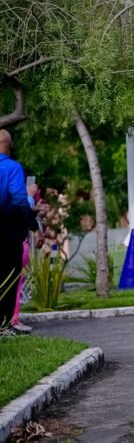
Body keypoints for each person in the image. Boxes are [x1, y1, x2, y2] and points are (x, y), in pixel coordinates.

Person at [0, 130, 41, 331]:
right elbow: (18, 200)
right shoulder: (11, 168)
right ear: (10, 144)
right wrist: (35, 227)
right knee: (8, 279)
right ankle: (4, 326)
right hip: (7, 233)